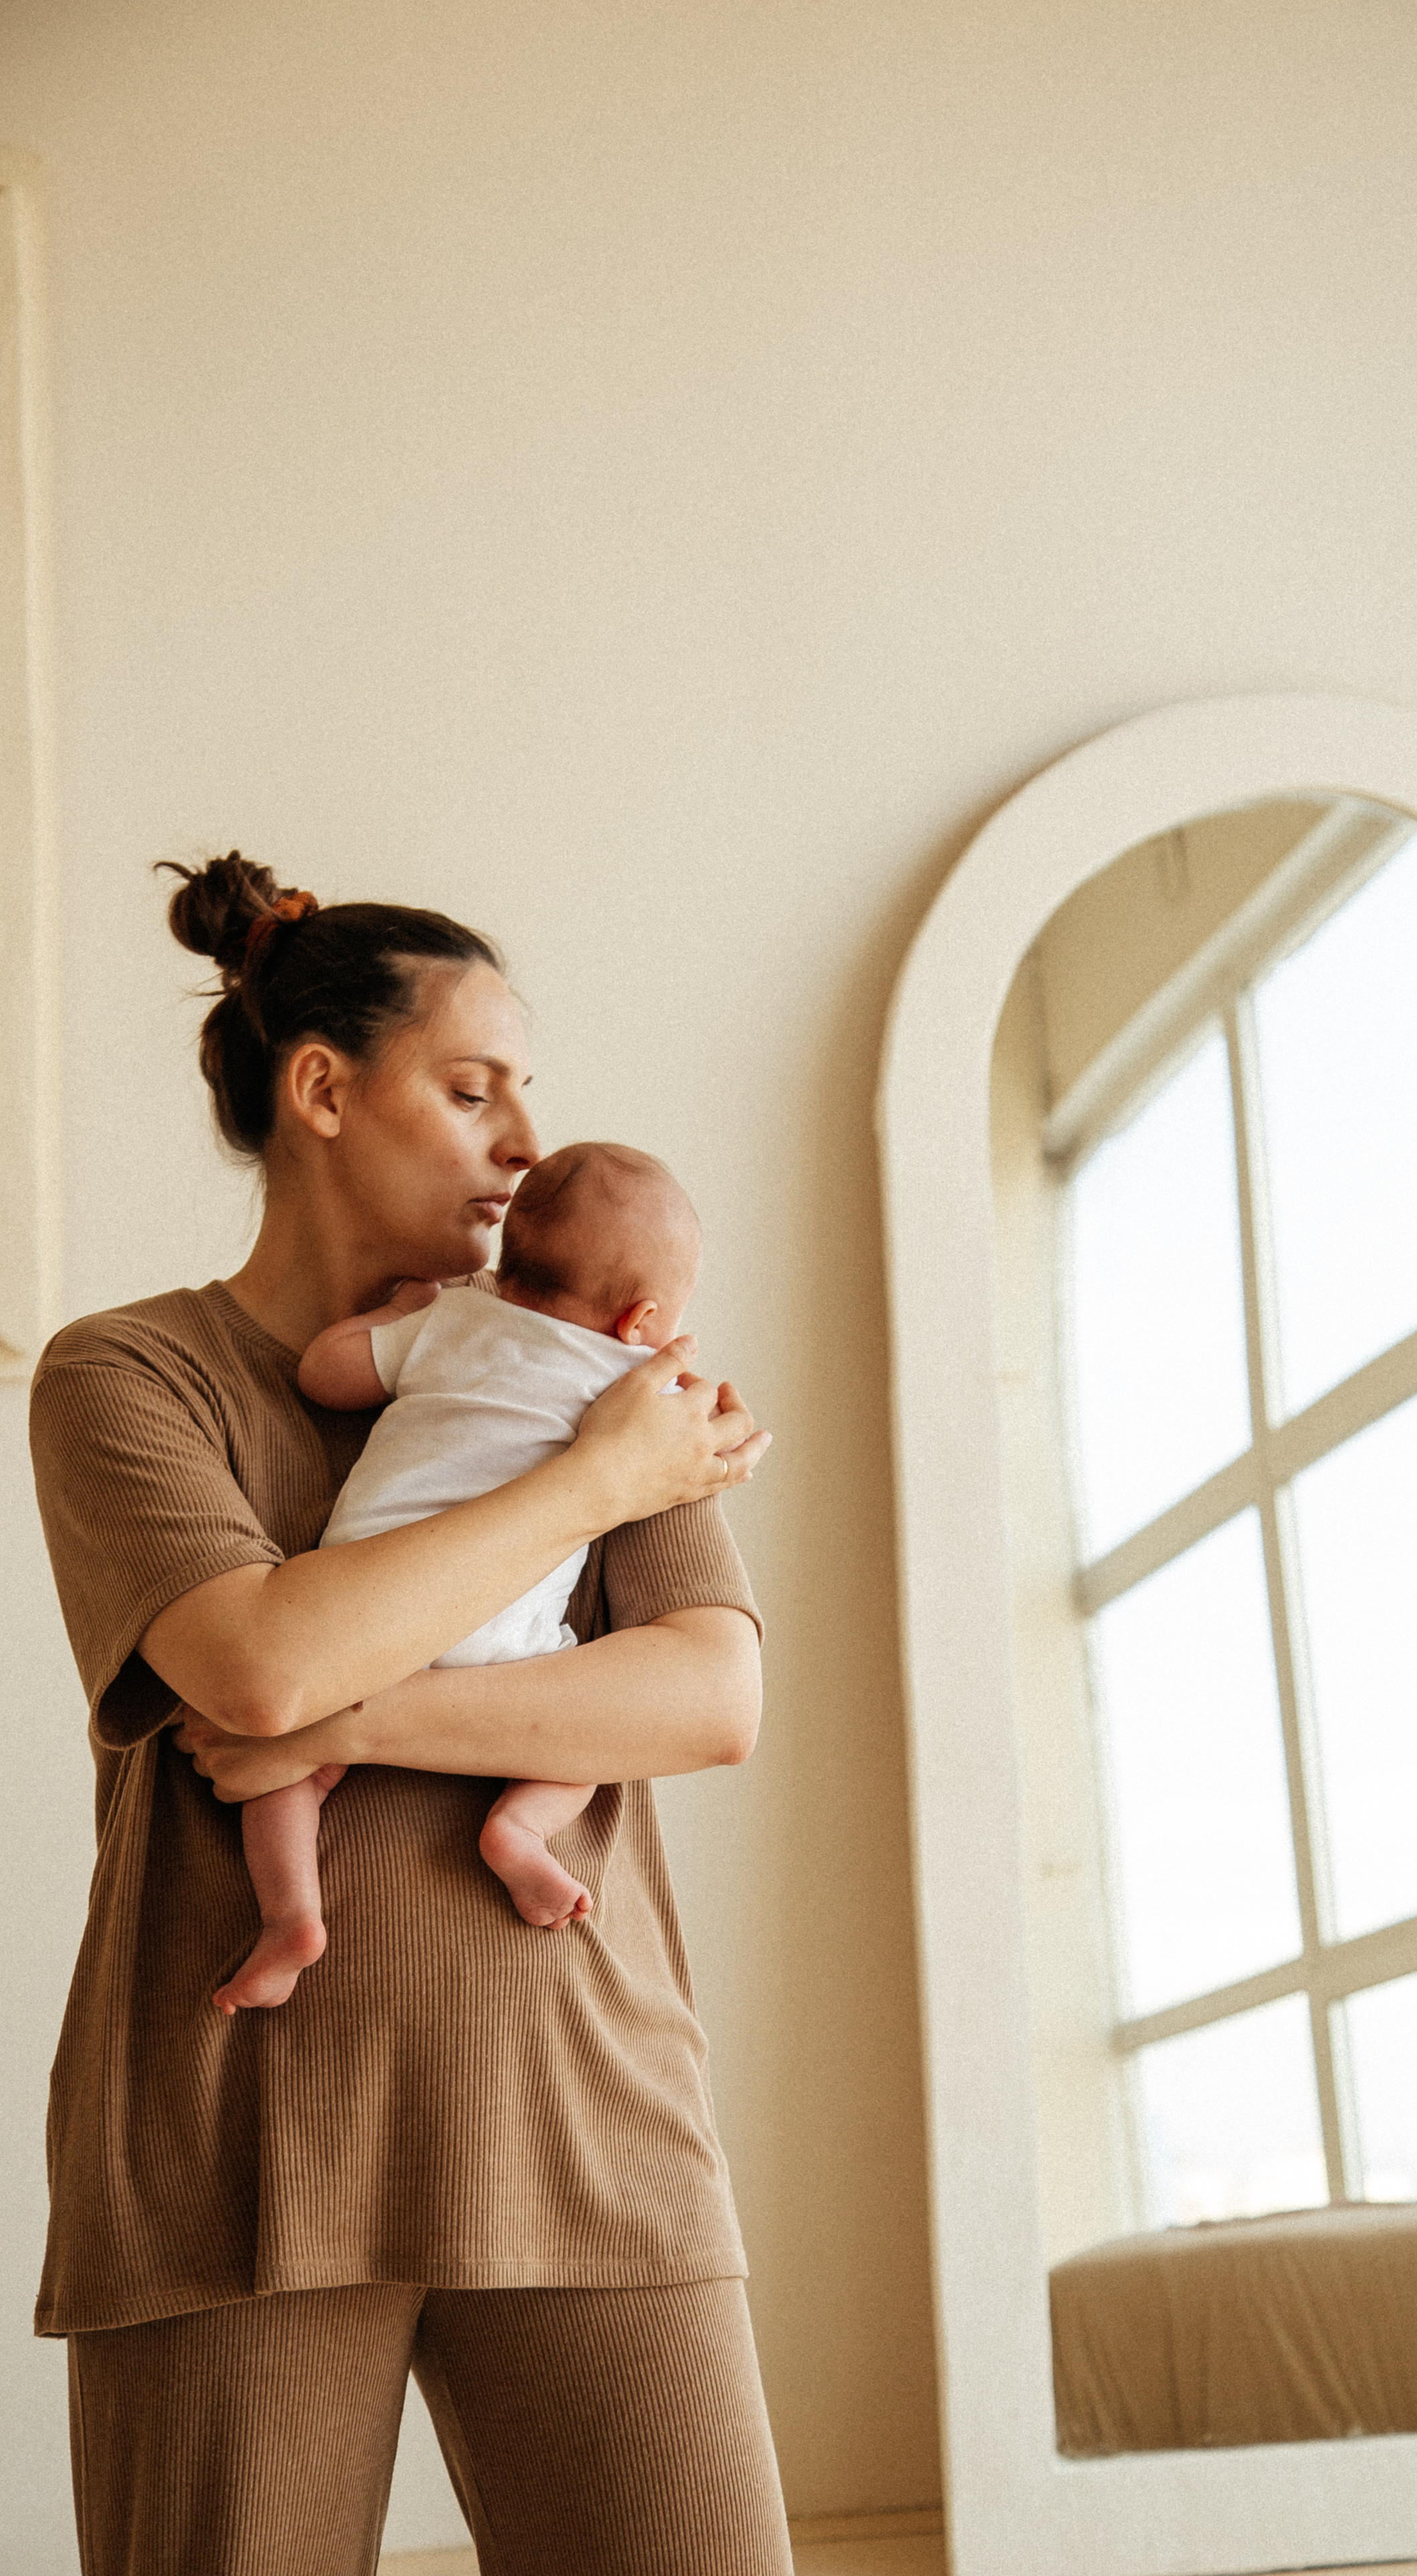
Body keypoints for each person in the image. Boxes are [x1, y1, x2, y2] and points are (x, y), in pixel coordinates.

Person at [28, 852, 792, 2576]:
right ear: (320, 1091)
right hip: (238, 2153)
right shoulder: (129, 1376)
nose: (524, 1140)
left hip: (590, 2118)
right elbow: (256, 1667)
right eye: (472, 1088)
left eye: (528, 1092)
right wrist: (592, 1484)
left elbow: (709, 1692)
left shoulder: (614, 1359)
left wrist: (349, 1729)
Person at [217, 1140, 707, 2014]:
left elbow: (325, 1375)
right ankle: (517, 1831)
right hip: (510, 1646)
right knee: (586, 1731)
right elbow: (703, 1449)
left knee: (285, 1776)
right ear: (642, 1322)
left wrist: (401, 1313)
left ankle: (291, 1914)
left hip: (360, 1619)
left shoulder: (453, 1323)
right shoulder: (633, 1391)